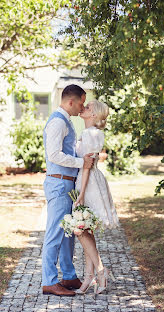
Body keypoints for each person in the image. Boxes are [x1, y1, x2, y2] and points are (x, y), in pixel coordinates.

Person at [42, 84, 94, 296]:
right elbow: (54, 155)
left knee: (68, 234)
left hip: (67, 183)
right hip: (59, 182)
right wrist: (81, 162)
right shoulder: (57, 122)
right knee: (55, 233)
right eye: (81, 103)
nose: (82, 107)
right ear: (70, 102)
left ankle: (69, 276)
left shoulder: (67, 122)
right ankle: (49, 281)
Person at [73, 99, 120, 295]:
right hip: (89, 180)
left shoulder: (89, 133)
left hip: (88, 182)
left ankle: (100, 271)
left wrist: (81, 194)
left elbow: (87, 166)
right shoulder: (93, 133)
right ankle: (88, 276)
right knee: (86, 230)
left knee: (81, 229)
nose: (84, 107)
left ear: (93, 115)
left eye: (89, 107)